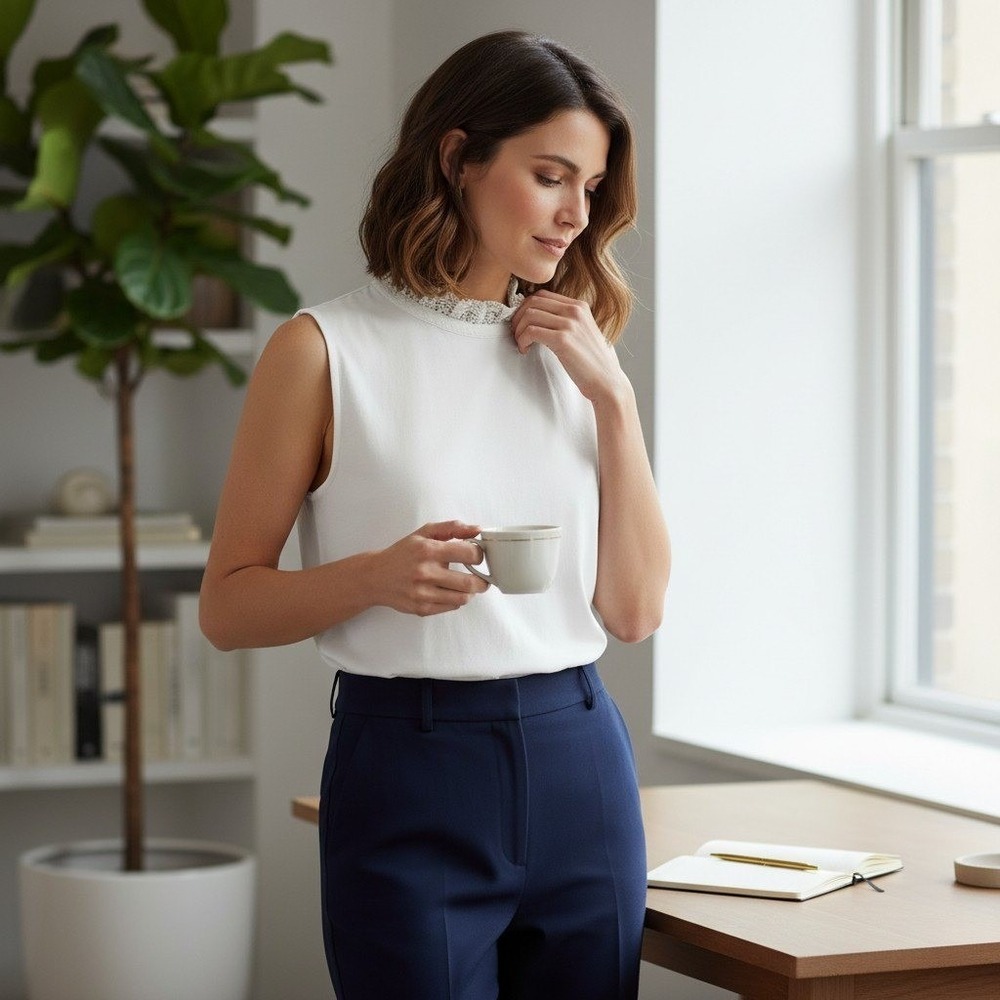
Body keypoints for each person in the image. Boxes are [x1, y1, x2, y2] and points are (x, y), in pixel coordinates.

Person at [200, 28, 670, 1000]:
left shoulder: (577, 355)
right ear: (458, 157)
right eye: (550, 176)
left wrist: (615, 403)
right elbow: (228, 605)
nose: (575, 216)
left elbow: (632, 612)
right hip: (404, 768)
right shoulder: (323, 349)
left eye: (589, 188)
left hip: (578, 757)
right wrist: (372, 577)